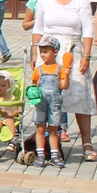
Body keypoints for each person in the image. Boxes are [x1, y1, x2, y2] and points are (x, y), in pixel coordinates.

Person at [32, 0, 97, 161]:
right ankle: (48, 141)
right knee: (48, 96)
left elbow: (87, 30)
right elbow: (38, 28)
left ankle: (86, 142)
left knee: (79, 95)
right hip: (48, 51)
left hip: (73, 50)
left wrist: (86, 55)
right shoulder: (44, 0)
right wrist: (35, 55)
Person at [30, 36, 70, 168]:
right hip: (41, 104)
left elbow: (64, 86)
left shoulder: (60, 68)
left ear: (55, 52)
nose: (42, 54)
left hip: (54, 104)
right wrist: (32, 94)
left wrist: (67, 74)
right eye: (41, 51)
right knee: (40, 128)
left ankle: (54, 155)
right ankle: (40, 155)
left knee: (53, 130)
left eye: (46, 51)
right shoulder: (38, 69)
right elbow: (34, 85)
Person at [0, 71, 21, 157]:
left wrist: (12, 115)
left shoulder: (12, 97)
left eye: (3, 85)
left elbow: (16, 111)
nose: (0, 88)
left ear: (9, 86)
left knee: (11, 122)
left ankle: (12, 141)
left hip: (8, 117)